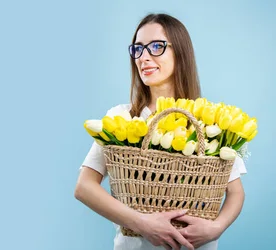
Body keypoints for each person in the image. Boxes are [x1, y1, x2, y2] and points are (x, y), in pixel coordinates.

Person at [74, 13, 247, 250]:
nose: (143, 57)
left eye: (156, 47)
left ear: (181, 52)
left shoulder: (209, 120)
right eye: (138, 49)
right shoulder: (122, 117)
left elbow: (236, 193)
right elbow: (84, 187)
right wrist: (142, 223)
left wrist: (216, 228)